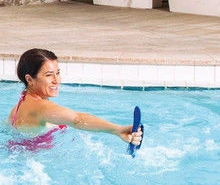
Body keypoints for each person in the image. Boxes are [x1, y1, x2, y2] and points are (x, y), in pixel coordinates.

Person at [8, 48, 143, 147]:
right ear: (29, 79)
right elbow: (78, 119)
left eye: (58, 73)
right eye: (48, 75)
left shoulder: (20, 105)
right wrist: (117, 130)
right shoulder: (41, 107)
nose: (57, 80)